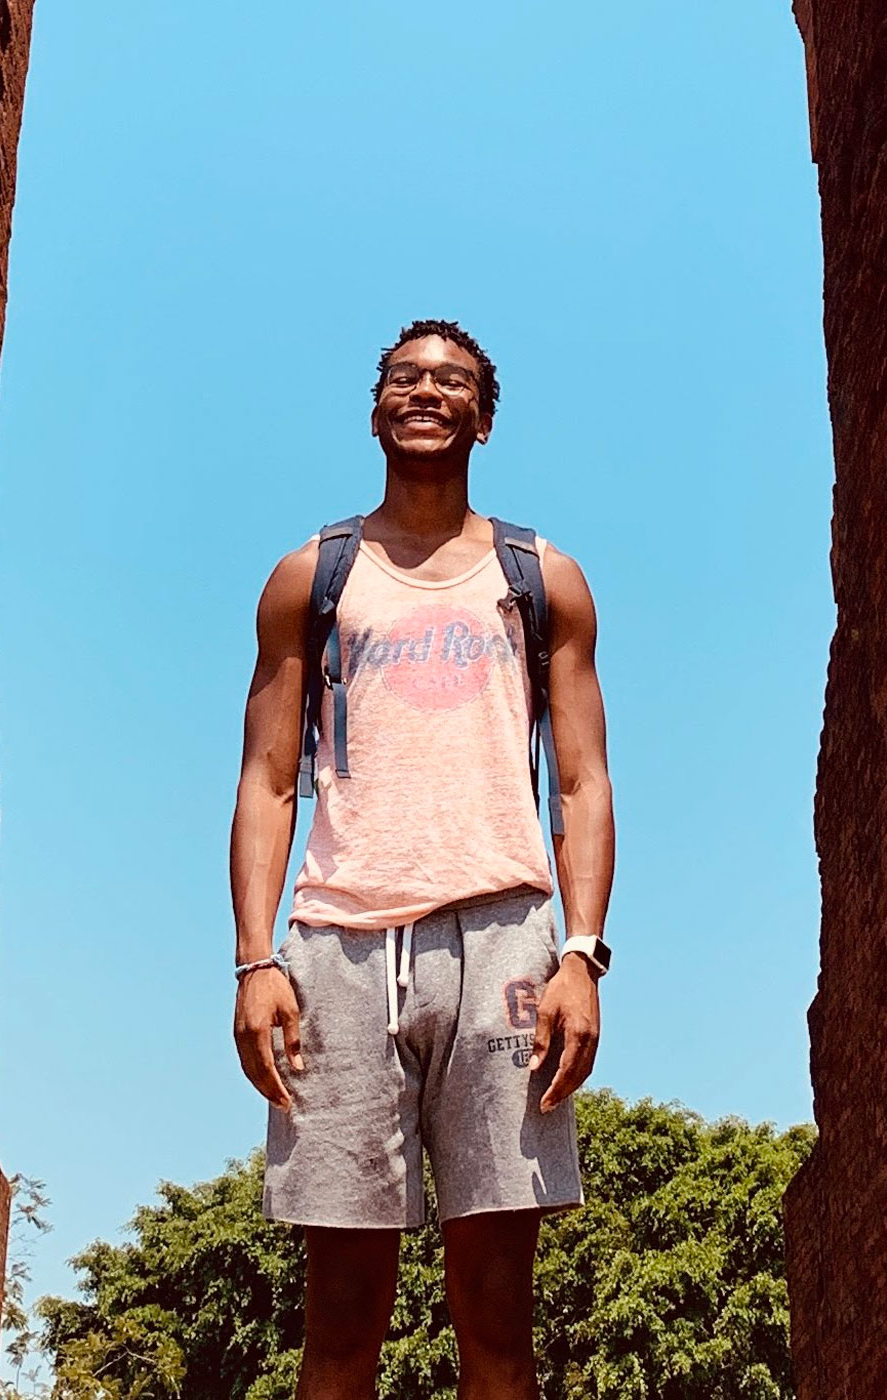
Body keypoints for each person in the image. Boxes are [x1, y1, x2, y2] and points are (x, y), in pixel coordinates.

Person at [227, 318, 616, 1400]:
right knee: (341, 1313)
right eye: (405, 377)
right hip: (340, 948)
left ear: (482, 417)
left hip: (502, 940)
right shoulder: (314, 575)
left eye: (450, 381)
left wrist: (581, 952)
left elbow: (582, 781)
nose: (426, 392)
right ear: (376, 407)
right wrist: (255, 960)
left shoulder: (543, 576)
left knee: (497, 1310)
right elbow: (266, 781)